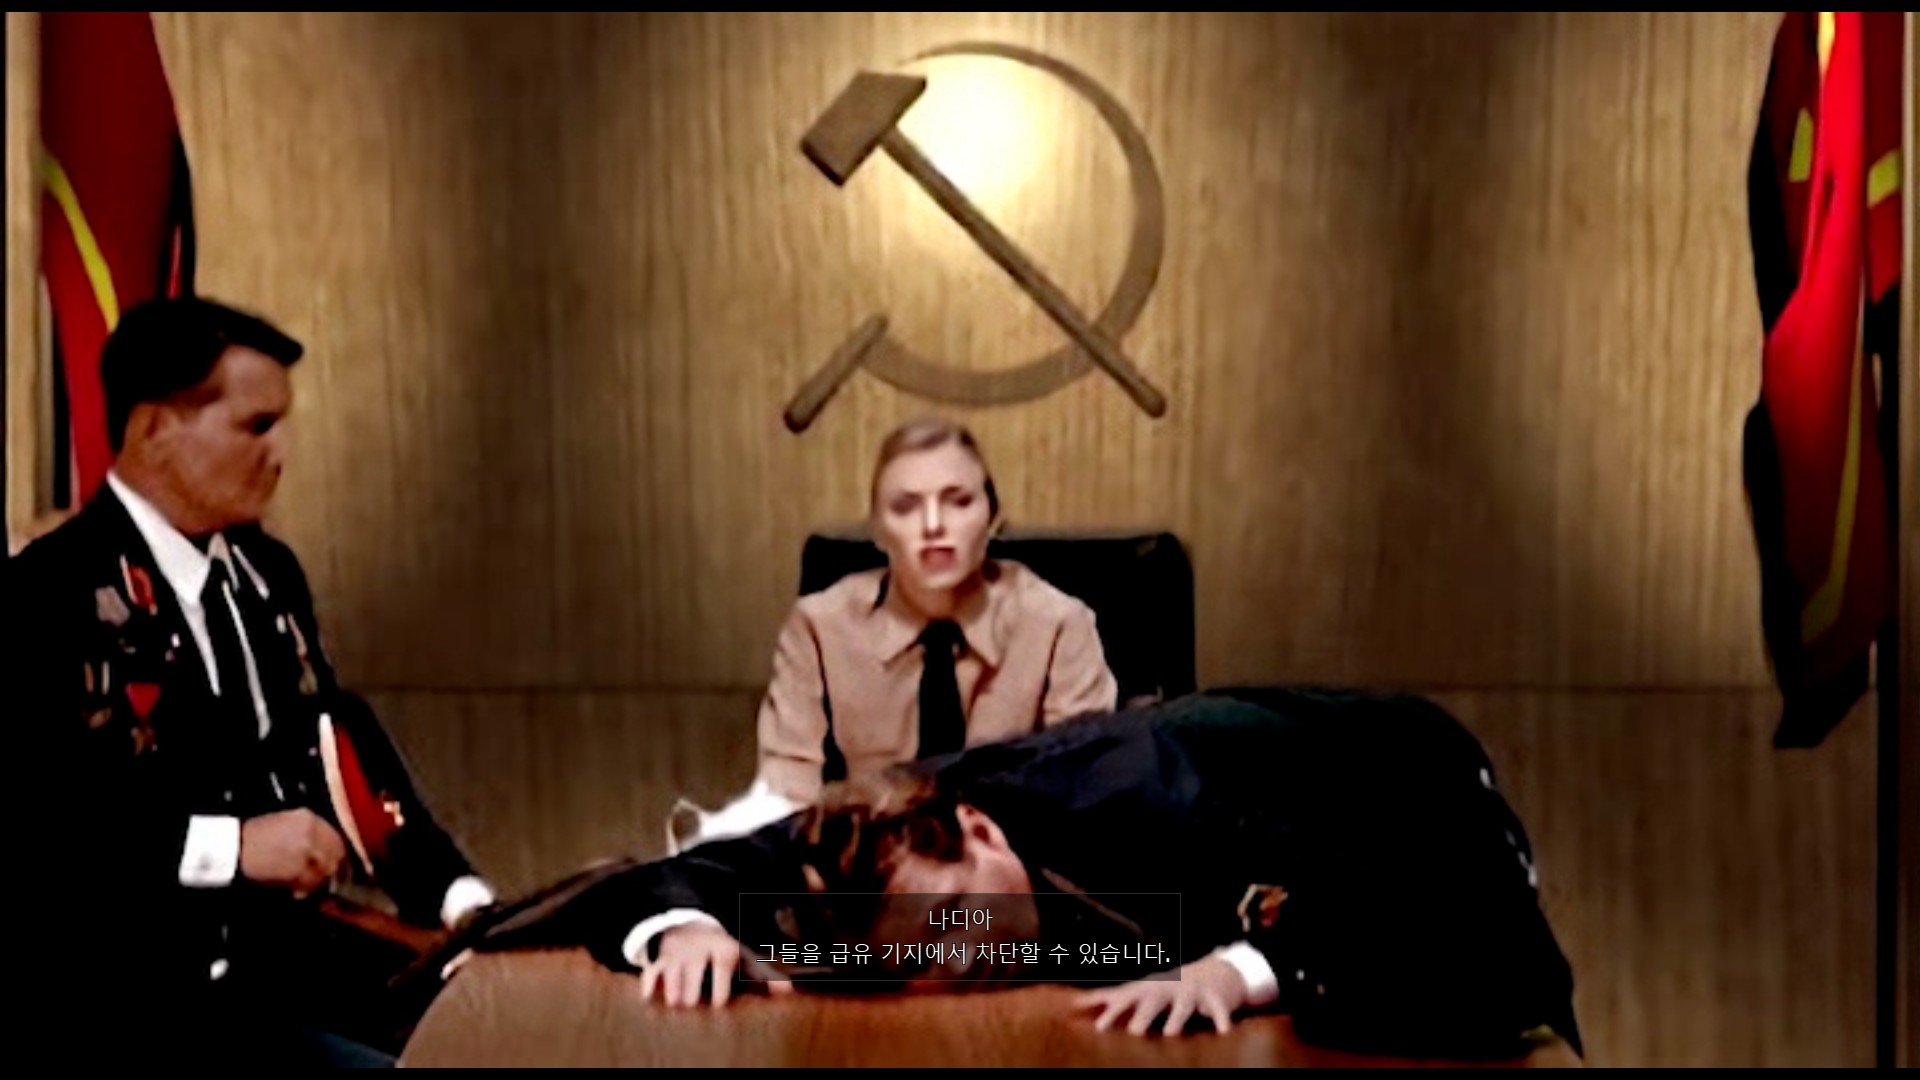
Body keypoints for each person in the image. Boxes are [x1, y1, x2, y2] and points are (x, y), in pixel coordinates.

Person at [464, 686, 1583, 1062]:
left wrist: (1240, 969)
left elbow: (1432, 895)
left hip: (1408, 794)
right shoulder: (902, 827)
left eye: (959, 920)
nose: (962, 961)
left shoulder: (1162, 798)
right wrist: (690, 928)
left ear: (983, 838)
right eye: (925, 955)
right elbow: (703, 872)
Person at [12, 297, 496, 1067]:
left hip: (288, 975)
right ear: (155, 430)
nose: (281, 453)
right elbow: (45, 828)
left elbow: (337, 747)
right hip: (130, 1000)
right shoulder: (48, 592)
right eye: (256, 426)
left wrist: (460, 900)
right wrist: (229, 848)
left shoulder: (267, 575)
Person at [743, 418, 1119, 826]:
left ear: (993, 517)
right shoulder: (818, 628)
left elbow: (1081, 791)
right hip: (868, 853)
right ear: (877, 531)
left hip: (1013, 852)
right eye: (905, 507)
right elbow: (786, 796)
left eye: (958, 501)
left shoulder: (1059, 625)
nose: (933, 524)